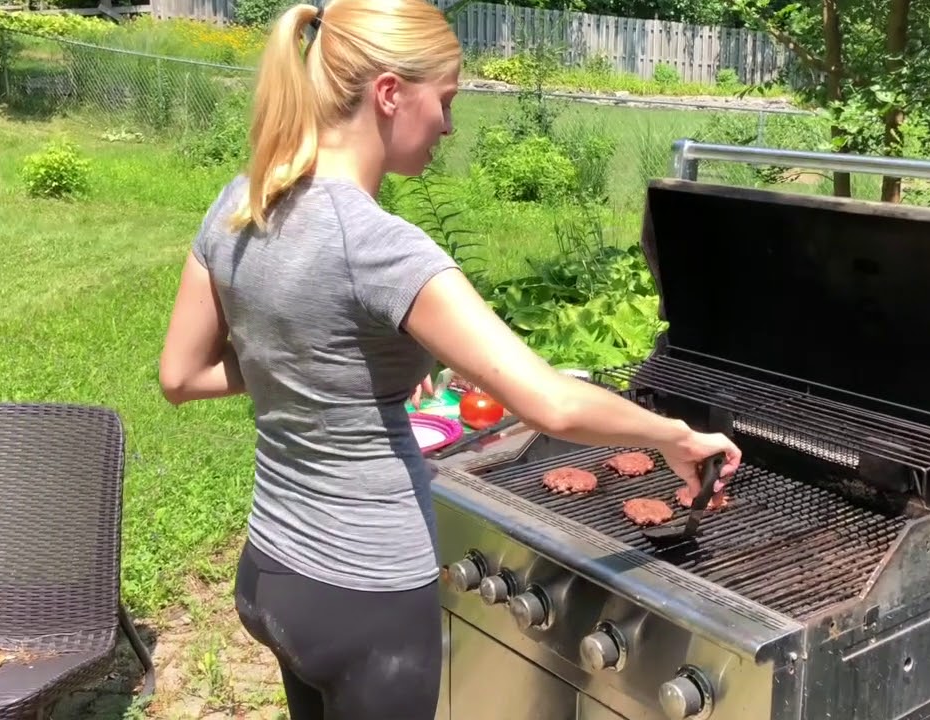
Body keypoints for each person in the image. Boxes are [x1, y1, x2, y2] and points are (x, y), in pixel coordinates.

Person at [156, 0, 742, 718]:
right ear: (390, 93)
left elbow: (180, 377)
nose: (450, 125)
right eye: (447, 99)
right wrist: (676, 438)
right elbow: (549, 403)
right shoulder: (382, 247)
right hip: (365, 596)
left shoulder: (238, 203)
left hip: (274, 570)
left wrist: (316, 359)